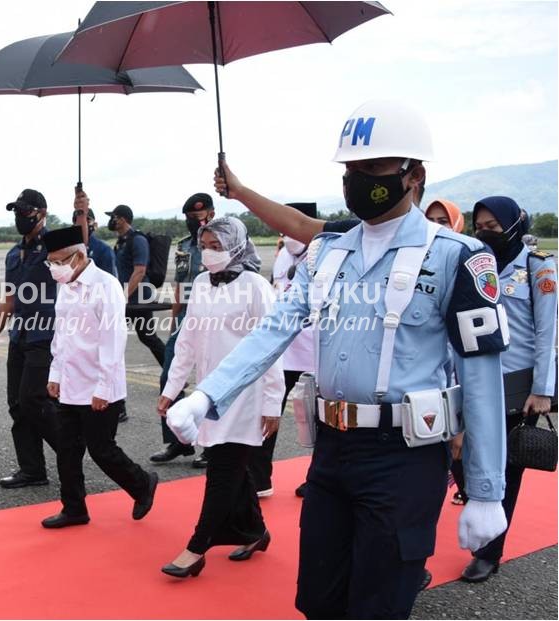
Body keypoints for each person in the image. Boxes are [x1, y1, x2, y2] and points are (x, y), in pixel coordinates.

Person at [168, 100, 509, 618]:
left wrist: (486, 491)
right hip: (331, 450)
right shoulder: (330, 252)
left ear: (412, 175)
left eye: (372, 169)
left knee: (377, 603)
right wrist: (207, 394)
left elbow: (482, 381)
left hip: (404, 456)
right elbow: (272, 332)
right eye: (350, 170)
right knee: (319, 599)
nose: (357, 181)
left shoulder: (457, 258)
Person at [159, 216, 284, 577]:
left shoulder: (256, 287)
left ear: (237, 246)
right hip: (208, 392)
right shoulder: (200, 283)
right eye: (206, 246)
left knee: (222, 470)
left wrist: (273, 403)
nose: (209, 253)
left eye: (218, 246)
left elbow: (272, 348)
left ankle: (197, 548)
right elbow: (188, 341)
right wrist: (171, 388)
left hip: (246, 395)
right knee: (230, 463)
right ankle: (255, 531)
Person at [455, 196, 557, 582]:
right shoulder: (474, 266)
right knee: (458, 455)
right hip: (473, 377)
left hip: (517, 385)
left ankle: (489, 551)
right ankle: (475, 502)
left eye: (493, 227)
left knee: (508, 468)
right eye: (479, 226)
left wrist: (543, 388)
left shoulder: (537, 266)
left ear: (514, 225)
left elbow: (547, 332)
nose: (484, 232)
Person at [41, 226, 158, 528]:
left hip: (99, 384)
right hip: (70, 382)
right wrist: (55, 373)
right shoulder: (66, 285)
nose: (54, 268)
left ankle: (142, 483)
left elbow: (113, 340)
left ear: (79, 256)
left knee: (101, 449)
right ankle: (74, 508)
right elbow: (61, 335)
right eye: (50, 262)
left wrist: (104, 387)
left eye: (58, 261)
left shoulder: (106, 286)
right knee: (66, 449)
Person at [0, 189, 59, 489]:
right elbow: (9, 299)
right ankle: (32, 470)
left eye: (25, 212)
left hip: (47, 333)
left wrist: (82, 209)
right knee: (17, 403)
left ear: (42, 213)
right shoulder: (14, 254)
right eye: (16, 212)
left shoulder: (56, 246)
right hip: (20, 335)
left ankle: (70, 449)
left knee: (33, 400)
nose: (20, 218)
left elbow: (81, 246)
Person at [252, 203, 318, 499]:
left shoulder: (324, 256)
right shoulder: (282, 256)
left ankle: (318, 477)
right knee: (268, 411)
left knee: (320, 419)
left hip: (316, 351)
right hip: (284, 350)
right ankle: (260, 476)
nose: (286, 233)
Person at [150, 193, 215, 467]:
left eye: (198, 217)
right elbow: (179, 285)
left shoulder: (226, 241)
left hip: (216, 318)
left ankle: (213, 446)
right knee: (168, 376)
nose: (193, 223)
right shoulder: (185, 245)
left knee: (212, 381)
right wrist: (175, 320)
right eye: (189, 218)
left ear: (211, 214)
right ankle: (180, 440)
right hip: (186, 317)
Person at [107, 204, 166, 366]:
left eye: (113, 217)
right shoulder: (121, 241)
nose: (111, 221)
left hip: (138, 298)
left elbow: (139, 271)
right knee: (113, 336)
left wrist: (123, 297)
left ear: (123, 219)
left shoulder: (138, 240)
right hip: (127, 298)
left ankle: (173, 376)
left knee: (148, 336)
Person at [72, 191, 117, 277]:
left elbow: (109, 280)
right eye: (76, 220)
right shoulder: (69, 251)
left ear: (95, 225)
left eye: (87, 220)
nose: (83, 223)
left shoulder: (103, 250)